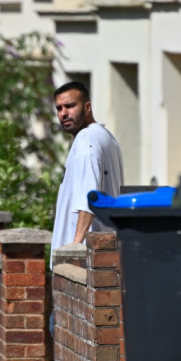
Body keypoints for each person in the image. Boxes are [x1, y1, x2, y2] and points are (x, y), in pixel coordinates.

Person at [51, 81, 124, 262]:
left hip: (85, 258)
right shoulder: (107, 137)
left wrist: (76, 245)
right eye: (59, 108)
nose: (63, 114)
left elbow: (88, 196)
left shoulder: (86, 139)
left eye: (69, 106)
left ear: (87, 107)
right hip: (105, 253)